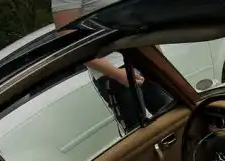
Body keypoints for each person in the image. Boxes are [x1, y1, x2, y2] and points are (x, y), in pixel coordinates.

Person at [52, 0, 170, 132]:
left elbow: (142, 18)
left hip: (144, 58)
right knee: (138, 132)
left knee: (175, 115)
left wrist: (160, 61)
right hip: (113, 70)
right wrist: (116, 73)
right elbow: (69, 40)